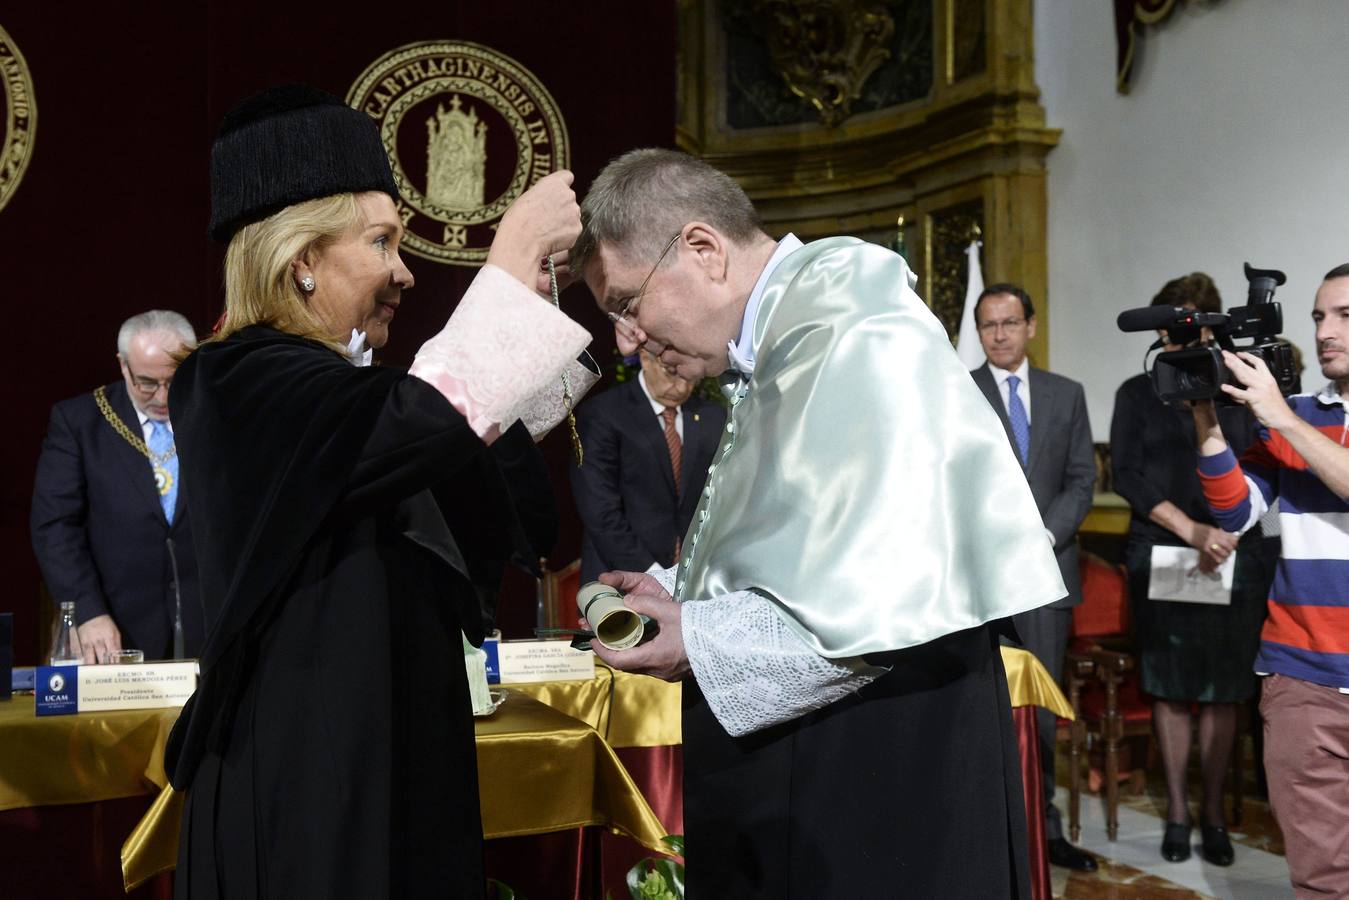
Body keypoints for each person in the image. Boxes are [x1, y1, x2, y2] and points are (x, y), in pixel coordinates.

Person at [570, 148, 1067, 898]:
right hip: (833, 757)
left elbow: (884, 586)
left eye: (624, 303)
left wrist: (695, 637)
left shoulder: (854, 326)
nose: (626, 338)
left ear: (701, 250)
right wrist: (682, 591)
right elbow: (801, 543)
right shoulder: (788, 337)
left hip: (884, 766)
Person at [164, 84, 596, 899]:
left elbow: (444, 452)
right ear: (301, 259)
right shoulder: (233, 378)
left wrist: (527, 306)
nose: (404, 271)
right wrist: (501, 263)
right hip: (308, 786)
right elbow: (412, 425)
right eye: (382, 241)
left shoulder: (332, 391)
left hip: (386, 758)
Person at [1190, 264, 1349, 896]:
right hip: (1302, 679)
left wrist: (1280, 417)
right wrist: (1201, 411)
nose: (1325, 331)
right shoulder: (1300, 414)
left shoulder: (1291, 419)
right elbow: (1233, 509)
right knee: (1321, 877)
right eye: (1317, 317)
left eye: (1344, 316)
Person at [1111, 273, 1273, 867]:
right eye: (1166, 327)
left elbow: (1264, 465)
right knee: (1173, 689)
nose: (1175, 338)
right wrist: (1193, 531)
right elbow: (1127, 474)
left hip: (1237, 554)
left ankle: (1212, 814)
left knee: (1225, 693)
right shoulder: (1136, 392)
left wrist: (1225, 532)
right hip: (1165, 551)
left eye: (1187, 326)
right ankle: (1178, 811)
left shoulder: (1239, 390)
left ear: (1211, 328)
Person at [970, 283, 1098, 872]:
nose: (999, 334)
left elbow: (1080, 479)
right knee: (984, 713)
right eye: (988, 325)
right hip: (980, 585)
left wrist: (1045, 537)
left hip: (1048, 577)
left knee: (1042, 716)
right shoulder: (958, 392)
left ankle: (1046, 834)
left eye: (1009, 323)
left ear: (1031, 327)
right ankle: (996, 834)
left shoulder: (1066, 395)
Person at [31, 310, 205, 663]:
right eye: (147, 383)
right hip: (117, 627)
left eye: (174, 380)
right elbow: (55, 527)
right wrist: (86, 610)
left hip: (209, 623)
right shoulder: (80, 423)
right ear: (123, 365)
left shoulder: (214, 414)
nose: (162, 396)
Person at [570, 349, 725, 583]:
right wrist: (656, 577)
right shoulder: (604, 413)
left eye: (691, 375)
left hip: (692, 586)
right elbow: (599, 510)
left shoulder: (712, 416)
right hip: (619, 580)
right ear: (645, 358)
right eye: (671, 372)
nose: (682, 386)